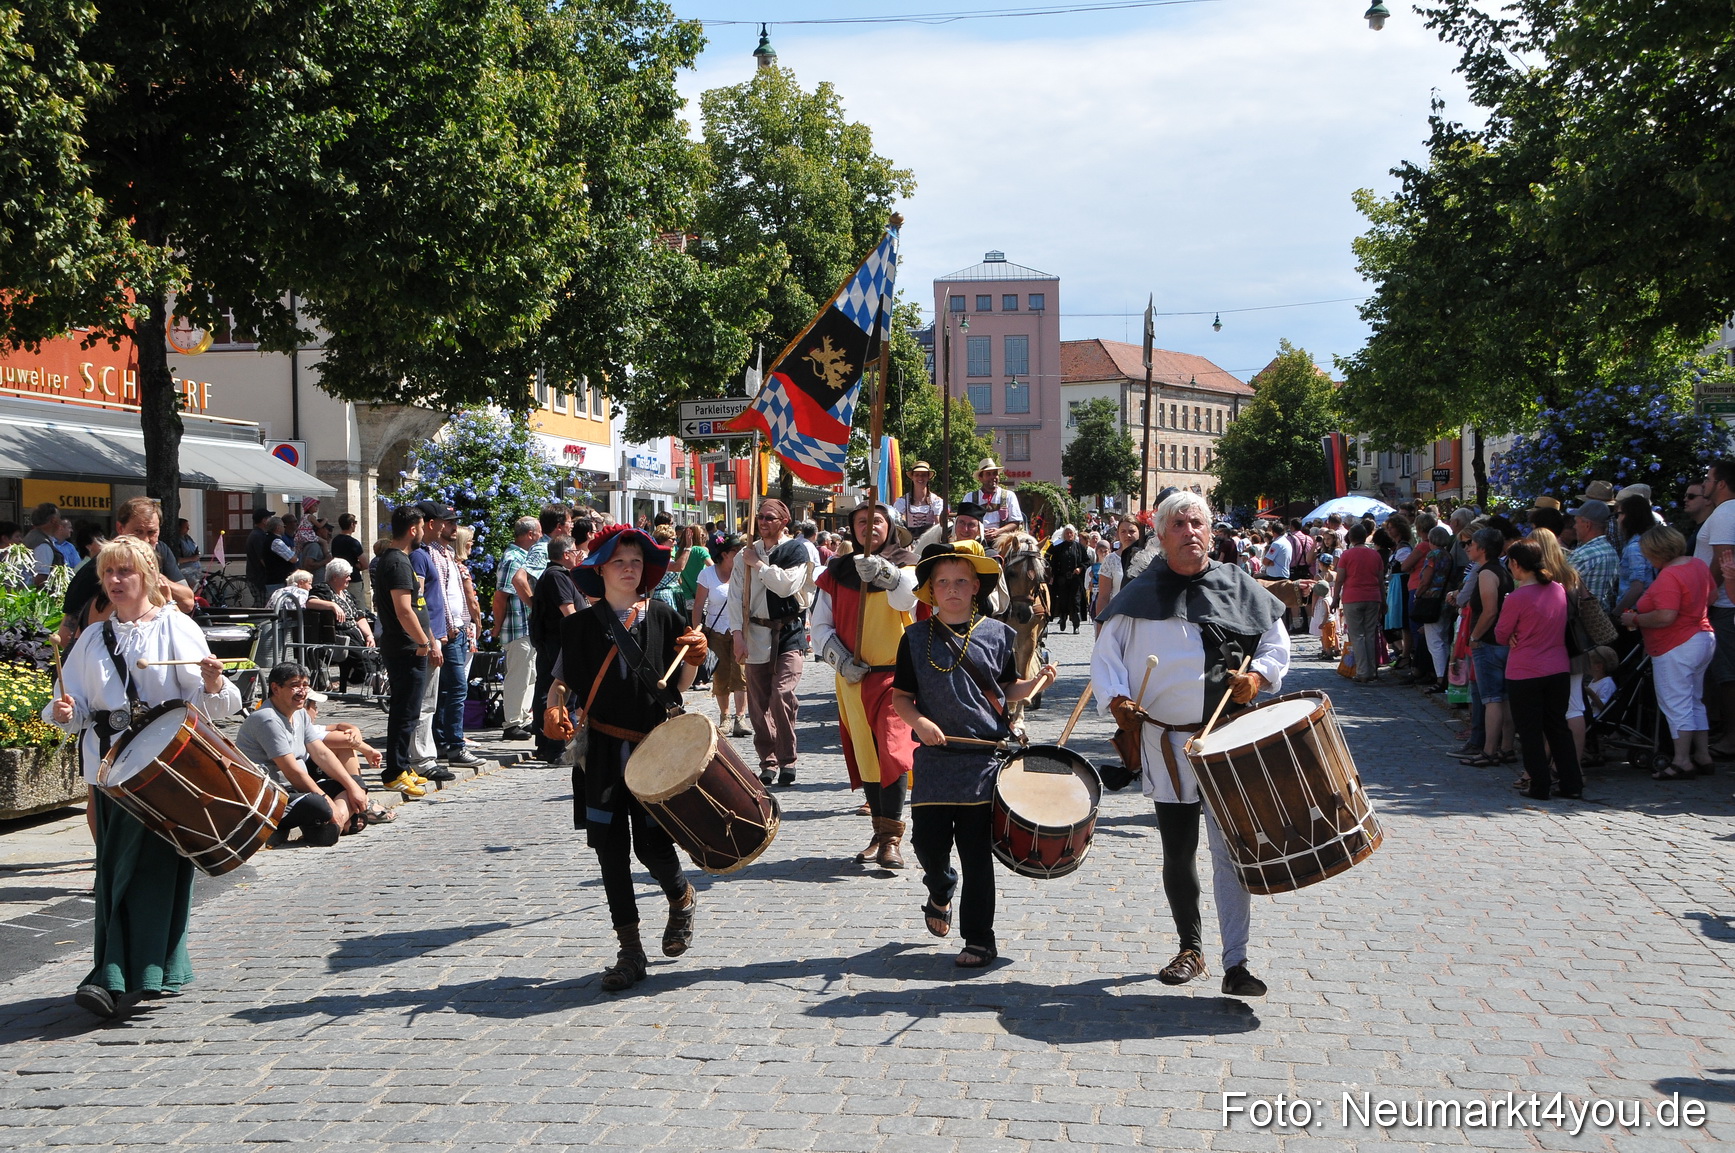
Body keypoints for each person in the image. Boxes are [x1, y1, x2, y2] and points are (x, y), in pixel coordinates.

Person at [1090, 490, 1289, 998]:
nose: (1189, 532)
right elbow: (1106, 657)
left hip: (1227, 741)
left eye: (1197, 522)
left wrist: (1259, 678)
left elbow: (1275, 642)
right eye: (1178, 524)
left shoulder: (1236, 585)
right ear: (1160, 535)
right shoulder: (1136, 596)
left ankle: (1236, 963)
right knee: (1178, 852)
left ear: (1210, 530)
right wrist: (1117, 702)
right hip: (1165, 744)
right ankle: (1190, 947)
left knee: (1229, 853)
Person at [43, 536, 242, 1018]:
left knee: (149, 872)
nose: (114, 581)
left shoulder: (175, 627)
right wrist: (63, 709)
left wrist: (215, 680)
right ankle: (137, 971)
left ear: (149, 577)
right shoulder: (91, 638)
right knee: (113, 871)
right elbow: (67, 708)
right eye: (108, 573)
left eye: (124, 572)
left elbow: (216, 701)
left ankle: (116, 976)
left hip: (163, 770)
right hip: (110, 771)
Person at [546, 525, 707, 993]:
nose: (630, 568)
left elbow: (680, 684)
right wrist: (554, 706)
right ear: (601, 569)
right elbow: (562, 681)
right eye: (620, 561)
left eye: (637, 562)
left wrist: (695, 656)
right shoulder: (577, 626)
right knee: (610, 851)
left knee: (653, 847)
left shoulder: (663, 615)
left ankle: (679, 894)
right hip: (599, 754)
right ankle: (630, 950)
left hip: (655, 751)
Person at [891, 541, 1057, 968]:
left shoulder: (999, 634)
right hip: (934, 760)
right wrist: (920, 724)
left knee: (976, 855)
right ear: (930, 590)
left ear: (976, 587)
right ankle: (940, 885)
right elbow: (902, 698)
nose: (952, 589)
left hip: (983, 763)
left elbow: (1006, 691)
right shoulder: (913, 638)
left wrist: (1036, 683)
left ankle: (980, 939)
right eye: (943, 582)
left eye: (961, 581)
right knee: (927, 843)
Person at [813, 502, 920, 867]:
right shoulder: (837, 572)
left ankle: (892, 838)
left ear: (890, 526)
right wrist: (840, 659)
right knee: (868, 758)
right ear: (852, 528)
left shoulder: (907, 564)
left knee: (892, 753)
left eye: (877, 520)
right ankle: (879, 831)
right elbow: (820, 627)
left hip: (896, 678)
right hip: (853, 678)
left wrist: (888, 575)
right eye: (862, 521)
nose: (869, 527)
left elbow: (912, 600)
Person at [727, 499, 816, 786]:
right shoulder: (745, 554)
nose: (763, 522)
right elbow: (735, 596)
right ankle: (768, 761)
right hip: (755, 633)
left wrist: (760, 566)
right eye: (760, 517)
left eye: (769, 518)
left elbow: (786, 586)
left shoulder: (795, 550)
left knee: (781, 695)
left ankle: (788, 759)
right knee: (758, 704)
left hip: (788, 632)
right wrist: (737, 635)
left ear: (783, 522)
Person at [237, 663, 373, 845]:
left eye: (305, 685)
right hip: (273, 795)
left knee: (354, 783)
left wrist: (352, 788)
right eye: (295, 685)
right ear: (275, 688)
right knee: (319, 805)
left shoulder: (300, 713)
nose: (302, 692)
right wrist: (329, 803)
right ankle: (335, 823)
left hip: (298, 789)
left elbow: (322, 754)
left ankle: (332, 825)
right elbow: (292, 772)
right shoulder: (267, 719)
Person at [1622, 526, 1716, 779]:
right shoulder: (1697, 565)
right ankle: (1703, 756)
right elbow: (1712, 596)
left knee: (1677, 703)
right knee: (1695, 700)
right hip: (1702, 637)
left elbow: (1665, 616)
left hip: (1677, 644)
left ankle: (1681, 761)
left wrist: (1636, 619)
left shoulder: (1669, 576)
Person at [1496, 541, 1582, 800]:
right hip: (1557, 668)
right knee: (1558, 727)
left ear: (1515, 564)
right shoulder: (1558, 589)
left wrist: (1513, 634)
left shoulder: (1517, 597)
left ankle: (1539, 784)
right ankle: (1572, 783)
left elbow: (1501, 634)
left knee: (1531, 731)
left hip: (1525, 670)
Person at [60, 497, 195, 644]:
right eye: (138, 531)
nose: (145, 540)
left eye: (151, 532)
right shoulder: (99, 566)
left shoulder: (161, 551)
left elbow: (188, 603)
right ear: (120, 529)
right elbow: (66, 633)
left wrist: (156, 579)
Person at [371, 504, 434, 799]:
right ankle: (394, 771)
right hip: (405, 648)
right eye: (421, 527)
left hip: (410, 647)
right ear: (412, 529)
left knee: (409, 711)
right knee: (403, 712)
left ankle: (403, 765)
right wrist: (423, 642)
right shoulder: (396, 562)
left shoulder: (400, 559)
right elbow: (403, 609)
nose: (423, 532)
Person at [427, 508, 480, 770]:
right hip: (449, 631)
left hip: (456, 628)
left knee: (450, 689)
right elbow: (440, 596)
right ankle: (454, 744)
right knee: (456, 688)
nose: (453, 528)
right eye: (449, 523)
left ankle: (445, 741)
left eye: (454, 523)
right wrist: (450, 627)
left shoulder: (447, 553)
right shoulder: (434, 553)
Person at [1460, 527, 1517, 767]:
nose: (1468, 548)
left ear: (1482, 549)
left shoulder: (1486, 573)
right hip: (1501, 643)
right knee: (1504, 699)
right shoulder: (1502, 570)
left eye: (1471, 544)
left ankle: (1490, 750)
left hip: (1489, 643)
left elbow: (1490, 610)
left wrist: (1475, 636)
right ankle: (1506, 748)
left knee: (1492, 698)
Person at [529, 536, 583, 765]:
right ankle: (556, 746)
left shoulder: (561, 574)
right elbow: (568, 610)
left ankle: (549, 744)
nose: (577, 554)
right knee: (559, 693)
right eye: (574, 550)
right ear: (565, 554)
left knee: (554, 691)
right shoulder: (556, 576)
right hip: (558, 642)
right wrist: (584, 633)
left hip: (558, 641)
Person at [493, 517, 542, 741]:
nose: (541, 537)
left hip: (526, 627)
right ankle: (511, 722)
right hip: (516, 627)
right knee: (518, 676)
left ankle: (523, 718)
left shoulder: (523, 557)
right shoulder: (512, 558)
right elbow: (501, 596)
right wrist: (496, 625)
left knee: (529, 675)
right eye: (539, 532)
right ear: (530, 534)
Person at [694, 534, 749, 736]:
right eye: (736, 551)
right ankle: (725, 717)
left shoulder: (745, 573)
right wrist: (696, 632)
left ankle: (740, 719)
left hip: (741, 631)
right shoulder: (708, 574)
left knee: (741, 674)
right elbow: (699, 605)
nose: (740, 554)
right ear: (724, 554)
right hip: (716, 631)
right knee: (721, 674)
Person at [1330, 522, 1387, 684]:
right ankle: (1372, 670)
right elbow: (1381, 580)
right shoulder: (1375, 555)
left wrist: (1335, 599)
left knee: (1357, 636)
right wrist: (1383, 600)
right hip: (1373, 597)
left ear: (1351, 538)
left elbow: (1339, 579)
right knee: (1370, 635)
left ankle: (1363, 672)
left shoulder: (1347, 555)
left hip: (1352, 597)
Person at [962, 459, 1024, 543]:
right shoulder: (970, 497)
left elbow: (1015, 522)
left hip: (1003, 541)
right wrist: (979, 532)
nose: (993, 477)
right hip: (976, 540)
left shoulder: (1009, 495)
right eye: (988, 474)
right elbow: (964, 522)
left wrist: (998, 532)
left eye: (995, 473)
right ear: (980, 478)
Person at [1047, 525, 1091, 634]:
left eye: (1071, 533)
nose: (1069, 535)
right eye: (1067, 533)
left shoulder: (1080, 548)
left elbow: (1086, 561)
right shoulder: (1058, 547)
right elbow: (1049, 557)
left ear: (1074, 534)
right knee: (1063, 601)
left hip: (1075, 580)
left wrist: (1080, 569)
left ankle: (1076, 625)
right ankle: (1063, 619)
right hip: (1062, 579)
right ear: (1064, 534)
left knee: (1075, 601)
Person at [894, 461, 945, 535]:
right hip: (909, 541)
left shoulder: (936, 501)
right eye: (917, 475)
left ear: (928, 477)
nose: (920, 478)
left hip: (930, 539)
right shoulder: (902, 501)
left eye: (923, 475)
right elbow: (898, 525)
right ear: (912, 477)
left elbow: (938, 525)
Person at [22, 502, 65, 588]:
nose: (60, 522)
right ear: (53, 520)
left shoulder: (31, 536)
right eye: (59, 518)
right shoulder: (43, 545)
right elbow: (41, 578)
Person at [673, 524, 712, 616]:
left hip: (686, 595)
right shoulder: (700, 550)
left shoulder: (680, 552)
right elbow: (712, 567)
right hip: (701, 594)